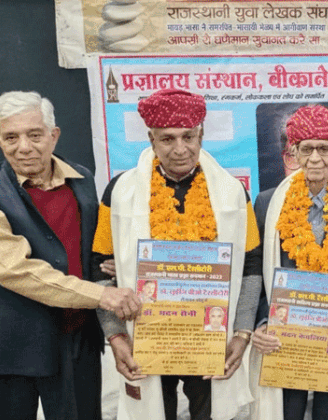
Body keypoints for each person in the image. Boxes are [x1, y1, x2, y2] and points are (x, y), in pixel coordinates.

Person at [0, 91, 141, 420]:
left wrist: (114, 270)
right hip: (7, 349)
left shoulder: (81, 180)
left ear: (54, 135)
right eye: (11, 137)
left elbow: (91, 256)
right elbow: (15, 270)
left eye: (34, 134)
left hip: (75, 344)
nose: (23, 147)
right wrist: (103, 295)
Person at [91, 88, 262, 420]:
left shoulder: (232, 192)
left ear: (201, 135)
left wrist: (242, 333)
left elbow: (251, 264)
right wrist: (114, 336)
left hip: (212, 335)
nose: (180, 149)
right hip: (146, 336)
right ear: (151, 140)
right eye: (168, 139)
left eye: (188, 136)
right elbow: (98, 266)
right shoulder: (120, 191)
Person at [249, 105, 328, 420]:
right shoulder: (266, 202)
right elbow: (255, 273)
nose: (315, 158)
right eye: (306, 149)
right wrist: (260, 323)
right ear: (294, 153)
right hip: (283, 338)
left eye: (324, 149)